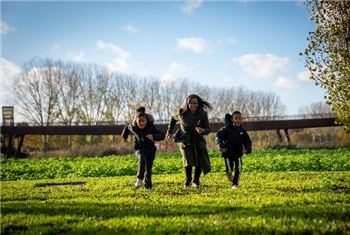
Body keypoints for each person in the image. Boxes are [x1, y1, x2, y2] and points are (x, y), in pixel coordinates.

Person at [166, 94, 212, 188]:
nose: (193, 105)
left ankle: (196, 181)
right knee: (188, 160)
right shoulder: (181, 112)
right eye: (190, 103)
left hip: (198, 139)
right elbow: (173, 119)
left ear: (198, 103)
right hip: (184, 139)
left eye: (195, 103)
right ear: (187, 103)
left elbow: (208, 129)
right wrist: (169, 132)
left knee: (199, 160)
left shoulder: (202, 114)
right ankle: (188, 180)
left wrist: (202, 130)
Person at [121, 107, 165, 190]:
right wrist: (124, 137)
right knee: (142, 159)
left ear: (146, 121)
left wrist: (154, 136)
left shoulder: (151, 127)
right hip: (139, 148)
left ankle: (148, 187)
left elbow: (162, 135)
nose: (141, 123)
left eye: (143, 121)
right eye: (139, 121)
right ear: (136, 121)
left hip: (150, 149)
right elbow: (127, 127)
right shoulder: (134, 127)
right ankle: (139, 178)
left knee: (148, 170)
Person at [215, 111, 252, 189]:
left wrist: (247, 149)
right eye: (236, 119)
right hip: (227, 153)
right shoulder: (226, 129)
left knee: (239, 168)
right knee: (229, 169)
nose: (238, 120)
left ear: (242, 119)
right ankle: (229, 174)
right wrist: (221, 146)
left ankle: (235, 184)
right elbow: (218, 136)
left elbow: (247, 141)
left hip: (238, 152)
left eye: (239, 119)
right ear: (232, 119)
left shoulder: (242, 130)